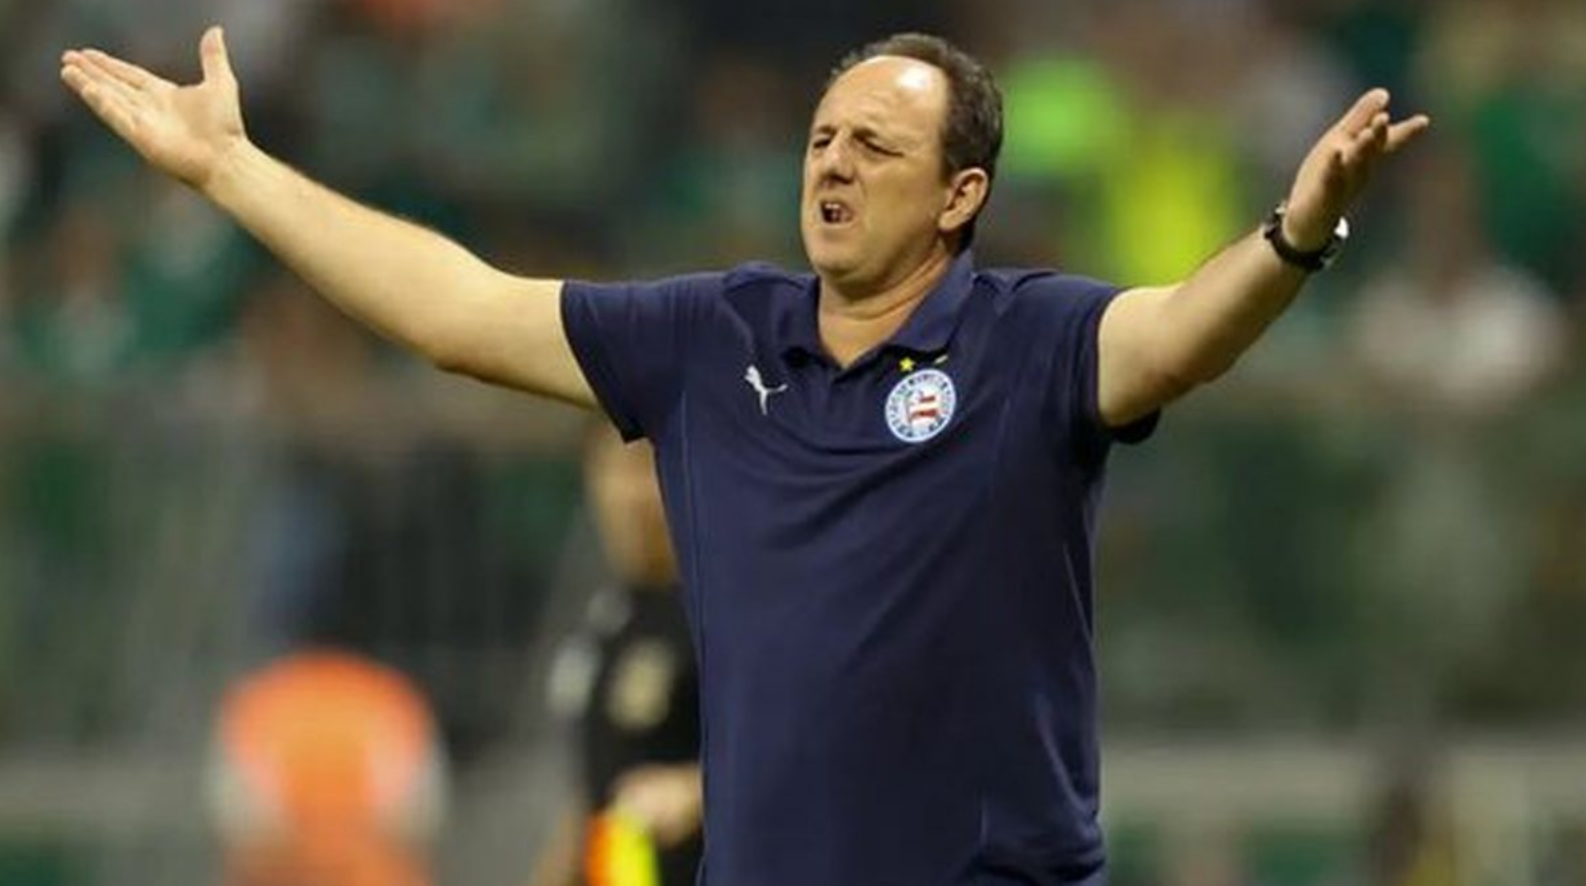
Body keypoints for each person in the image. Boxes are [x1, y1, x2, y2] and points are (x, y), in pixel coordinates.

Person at [60, 27, 1428, 886]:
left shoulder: (1028, 339)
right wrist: (231, 172)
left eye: (875, 146)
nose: (831, 164)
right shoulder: (711, 337)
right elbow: (457, 311)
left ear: (958, 195)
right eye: (821, 139)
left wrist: (1294, 234)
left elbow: (1180, 336)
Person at [533, 426, 703, 886]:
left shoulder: (725, 614)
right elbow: (597, 787)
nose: (633, 497)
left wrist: (696, 791)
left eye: (646, 470)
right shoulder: (608, 619)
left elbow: (795, 751)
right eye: (617, 472)